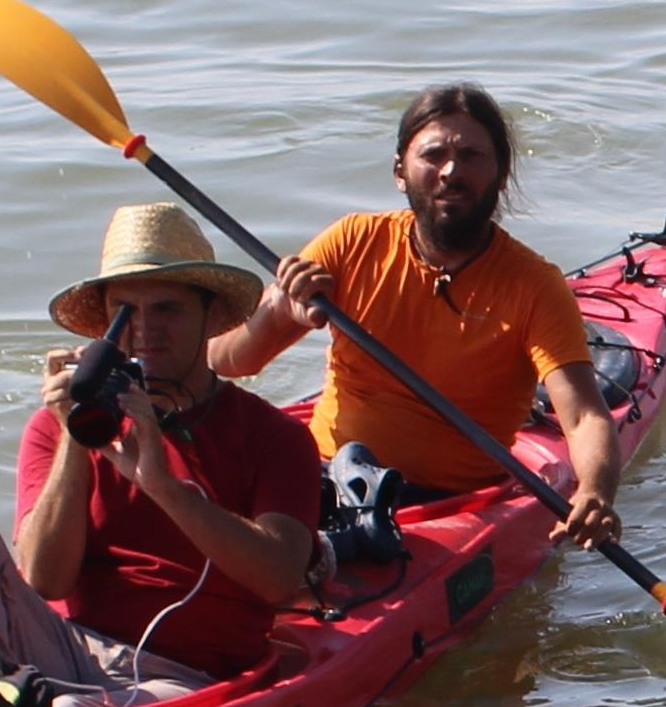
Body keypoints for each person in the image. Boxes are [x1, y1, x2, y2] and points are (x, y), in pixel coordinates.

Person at [0, 204, 327, 707]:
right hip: (72, 647)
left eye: (167, 309)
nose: (145, 330)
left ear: (211, 316)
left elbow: (280, 578)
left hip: (186, 678)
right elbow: (44, 580)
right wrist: (76, 437)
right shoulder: (61, 428)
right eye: (125, 311)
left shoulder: (272, 435)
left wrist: (164, 487)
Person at [207, 81, 621, 544]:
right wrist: (278, 311)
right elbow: (228, 361)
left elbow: (584, 416)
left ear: (502, 175)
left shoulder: (535, 286)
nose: (450, 171)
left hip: (443, 502)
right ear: (400, 171)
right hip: (323, 472)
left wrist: (595, 492)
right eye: (434, 155)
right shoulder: (351, 241)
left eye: (471, 156)